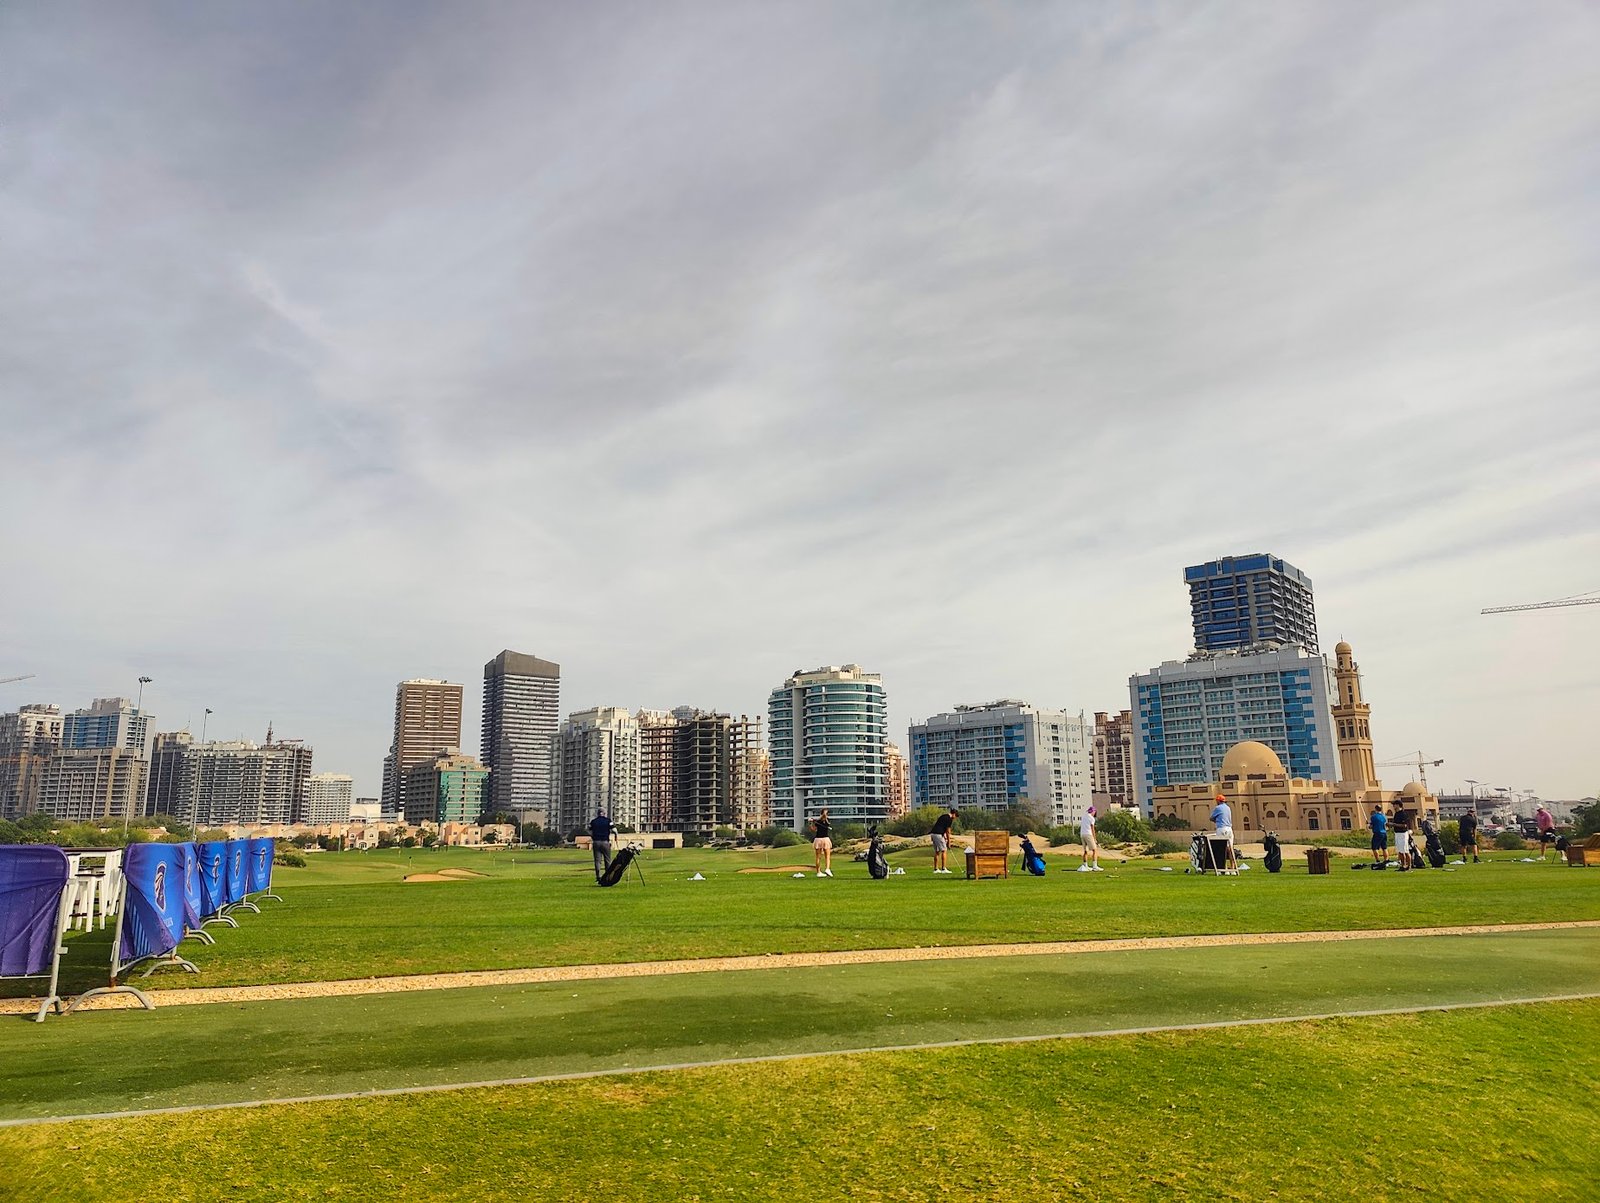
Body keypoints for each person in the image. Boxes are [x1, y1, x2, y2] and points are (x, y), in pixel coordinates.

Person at [1210, 795, 1236, 872]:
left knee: (1222, 849)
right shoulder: (1228, 808)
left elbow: (1211, 818)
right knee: (1230, 849)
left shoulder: (1218, 808)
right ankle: (1233, 868)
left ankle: (1225, 868)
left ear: (1218, 801)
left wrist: (1216, 820)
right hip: (1229, 829)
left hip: (1221, 828)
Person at [929, 807, 957, 874]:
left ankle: (936, 869)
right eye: (955, 816)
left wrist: (944, 837)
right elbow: (948, 831)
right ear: (954, 814)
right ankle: (943, 868)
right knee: (944, 850)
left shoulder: (943, 816)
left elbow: (941, 827)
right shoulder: (949, 819)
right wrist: (949, 842)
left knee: (937, 851)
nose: (955, 818)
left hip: (933, 834)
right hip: (938, 834)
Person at [588, 810, 614, 881]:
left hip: (596, 842)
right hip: (605, 841)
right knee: (607, 860)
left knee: (597, 860)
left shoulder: (593, 821)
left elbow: (589, 830)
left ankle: (598, 876)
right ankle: (607, 876)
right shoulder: (608, 821)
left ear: (597, 814)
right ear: (604, 813)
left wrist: (593, 837)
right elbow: (614, 829)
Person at [1078, 805, 1101, 872]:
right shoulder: (1091, 818)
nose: (1095, 813)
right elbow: (1092, 829)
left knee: (1086, 851)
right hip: (1088, 834)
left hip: (1082, 834)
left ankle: (1085, 866)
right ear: (1093, 811)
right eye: (1094, 812)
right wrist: (1095, 839)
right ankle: (1095, 866)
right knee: (1094, 850)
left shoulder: (1084, 816)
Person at [811, 808, 833, 877]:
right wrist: (813, 821)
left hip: (818, 839)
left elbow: (813, 829)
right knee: (827, 856)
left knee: (818, 857)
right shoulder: (826, 821)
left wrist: (812, 823)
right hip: (825, 839)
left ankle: (818, 872)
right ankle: (827, 869)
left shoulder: (818, 821)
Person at [1392, 800, 1413, 871]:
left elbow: (1404, 825)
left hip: (1403, 834)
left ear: (1398, 805)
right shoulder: (1396, 814)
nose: (1393, 806)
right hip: (1397, 833)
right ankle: (1403, 865)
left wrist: (1394, 824)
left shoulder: (1403, 814)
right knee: (1400, 851)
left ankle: (1409, 865)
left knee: (1405, 850)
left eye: (1394, 805)